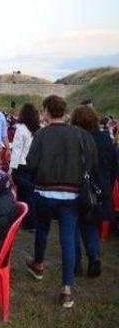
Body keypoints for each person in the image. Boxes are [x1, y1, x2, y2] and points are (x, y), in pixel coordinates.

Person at [25, 95, 98, 308]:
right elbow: (92, 162)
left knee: (43, 230)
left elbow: (30, 163)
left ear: (46, 111)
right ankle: (66, 288)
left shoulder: (41, 135)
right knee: (67, 238)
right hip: (72, 194)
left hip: (45, 192)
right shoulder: (80, 135)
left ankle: (38, 264)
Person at [71, 105, 118, 278]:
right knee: (90, 225)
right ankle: (94, 256)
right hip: (100, 189)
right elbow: (114, 166)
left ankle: (75, 264)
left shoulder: (75, 139)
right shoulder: (106, 139)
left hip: (78, 188)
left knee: (73, 225)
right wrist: (108, 185)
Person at [9, 103, 41, 229]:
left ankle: (27, 221)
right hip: (34, 164)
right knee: (31, 193)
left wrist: (12, 168)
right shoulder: (38, 128)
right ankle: (31, 220)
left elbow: (17, 150)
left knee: (24, 194)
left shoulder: (21, 129)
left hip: (22, 164)